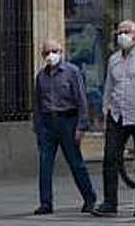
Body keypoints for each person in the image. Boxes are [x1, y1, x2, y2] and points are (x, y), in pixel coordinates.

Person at [93, 20, 135, 218]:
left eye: (126, 32)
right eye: (119, 32)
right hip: (118, 114)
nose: (121, 35)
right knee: (110, 158)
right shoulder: (113, 59)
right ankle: (110, 202)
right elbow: (108, 87)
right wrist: (105, 111)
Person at [31, 39, 98, 215]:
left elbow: (82, 100)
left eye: (54, 51)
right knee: (45, 164)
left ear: (61, 52)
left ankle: (89, 198)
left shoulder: (71, 72)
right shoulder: (41, 76)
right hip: (47, 123)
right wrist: (38, 127)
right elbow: (37, 104)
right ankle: (46, 202)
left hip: (68, 120)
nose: (50, 55)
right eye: (46, 52)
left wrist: (81, 126)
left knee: (76, 163)